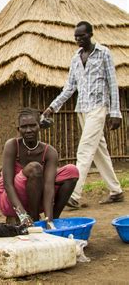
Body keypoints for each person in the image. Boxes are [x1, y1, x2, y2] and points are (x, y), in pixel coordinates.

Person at [43, 21, 124, 208]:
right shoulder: (75, 58)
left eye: (82, 35)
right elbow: (69, 87)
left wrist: (115, 112)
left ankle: (73, 194)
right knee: (98, 151)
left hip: (98, 107)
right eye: (76, 37)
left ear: (91, 34)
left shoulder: (104, 53)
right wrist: (52, 107)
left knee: (85, 150)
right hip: (83, 109)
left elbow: (112, 84)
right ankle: (116, 191)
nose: (78, 39)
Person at [0, 108, 79, 227]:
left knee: (72, 171)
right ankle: (34, 218)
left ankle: (51, 220)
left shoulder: (49, 152)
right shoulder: (12, 146)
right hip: (11, 200)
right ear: (18, 129)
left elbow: (48, 185)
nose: (28, 130)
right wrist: (23, 215)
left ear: (39, 126)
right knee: (35, 168)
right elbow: (8, 184)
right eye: (24, 127)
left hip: (38, 196)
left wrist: (49, 219)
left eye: (32, 126)